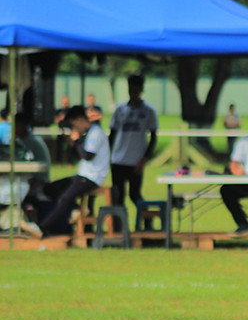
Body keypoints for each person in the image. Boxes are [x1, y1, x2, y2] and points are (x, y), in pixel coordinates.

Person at [25, 105, 110, 237]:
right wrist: (72, 143)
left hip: (93, 177)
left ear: (80, 119)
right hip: (82, 174)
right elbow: (76, 156)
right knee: (50, 189)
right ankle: (76, 210)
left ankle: (42, 228)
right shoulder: (87, 133)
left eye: (74, 125)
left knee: (64, 198)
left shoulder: (96, 133)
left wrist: (76, 141)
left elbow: (87, 156)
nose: (74, 129)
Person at [109, 75, 158, 214]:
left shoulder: (148, 111)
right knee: (117, 197)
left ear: (141, 89)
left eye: (136, 89)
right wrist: (108, 155)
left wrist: (144, 159)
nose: (133, 92)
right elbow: (112, 135)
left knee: (135, 195)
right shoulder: (120, 110)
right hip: (118, 160)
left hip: (135, 161)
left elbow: (154, 137)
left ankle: (148, 224)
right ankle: (119, 229)